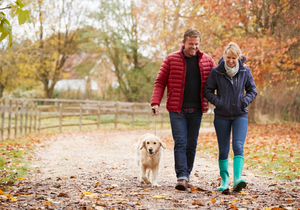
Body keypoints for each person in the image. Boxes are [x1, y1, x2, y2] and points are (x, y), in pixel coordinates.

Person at [151, 28, 216, 191]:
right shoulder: (171, 59)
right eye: (191, 44)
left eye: (197, 44)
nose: (194, 47)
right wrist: (155, 102)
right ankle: (181, 176)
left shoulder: (207, 61)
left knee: (191, 144)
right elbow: (160, 82)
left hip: (197, 110)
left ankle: (186, 175)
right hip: (177, 109)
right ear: (184, 42)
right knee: (180, 142)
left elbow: (218, 81)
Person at [204, 42, 257, 192]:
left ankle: (238, 179)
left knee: (238, 146)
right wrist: (218, 103)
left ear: (239, 57)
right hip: (222, 116)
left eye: (234, 58)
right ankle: (225, 180)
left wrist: (244, 101)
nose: (231, 61)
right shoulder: (216, 72)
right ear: (224, 56)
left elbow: (252, 90)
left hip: (240, 115)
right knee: (223, 149)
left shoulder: (245, 72)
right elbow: (208, 91)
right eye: (228, 57)